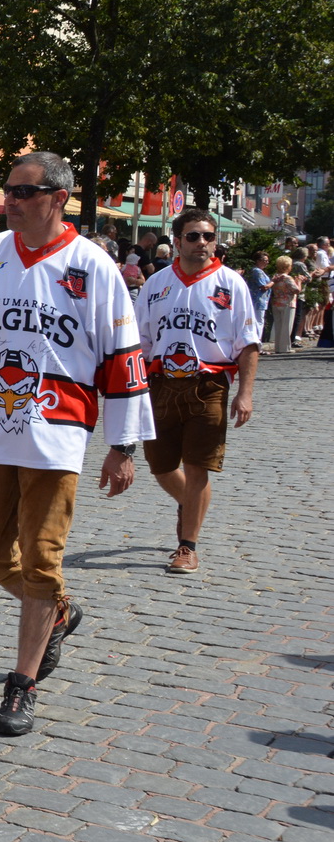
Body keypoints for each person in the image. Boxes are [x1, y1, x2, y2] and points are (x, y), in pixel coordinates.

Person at [0, 150, 154, 736]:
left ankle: (20, 686)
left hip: (58, 433)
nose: (9, 202)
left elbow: (124, 360)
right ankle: (58, 614)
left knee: (42, 558)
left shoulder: (93, 267)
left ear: (58, 197)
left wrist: (123, 445)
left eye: (23, 192)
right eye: (8, 191)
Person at [134, 209, 260, 575]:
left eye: (208, 236)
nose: (202, 243)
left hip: (209, 387)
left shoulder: (231, 283)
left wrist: (246, 393)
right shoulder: (156, 284)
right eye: (193, 236)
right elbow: (138, 342)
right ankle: (191, 502)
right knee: (160, 465)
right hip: (160, 385)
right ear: (176, 241)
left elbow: (248, 344)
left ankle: (187, 546)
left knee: (198, 466)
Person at [267, 256, 301, 355]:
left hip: (276, 302)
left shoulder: (275, 276)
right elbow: (296, 290)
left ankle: (277, 347)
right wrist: (299, 281)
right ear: (288, 266)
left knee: (278, 326)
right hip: (288, 303)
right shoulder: (287, 278)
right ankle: (285, 348)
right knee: (286, 327)